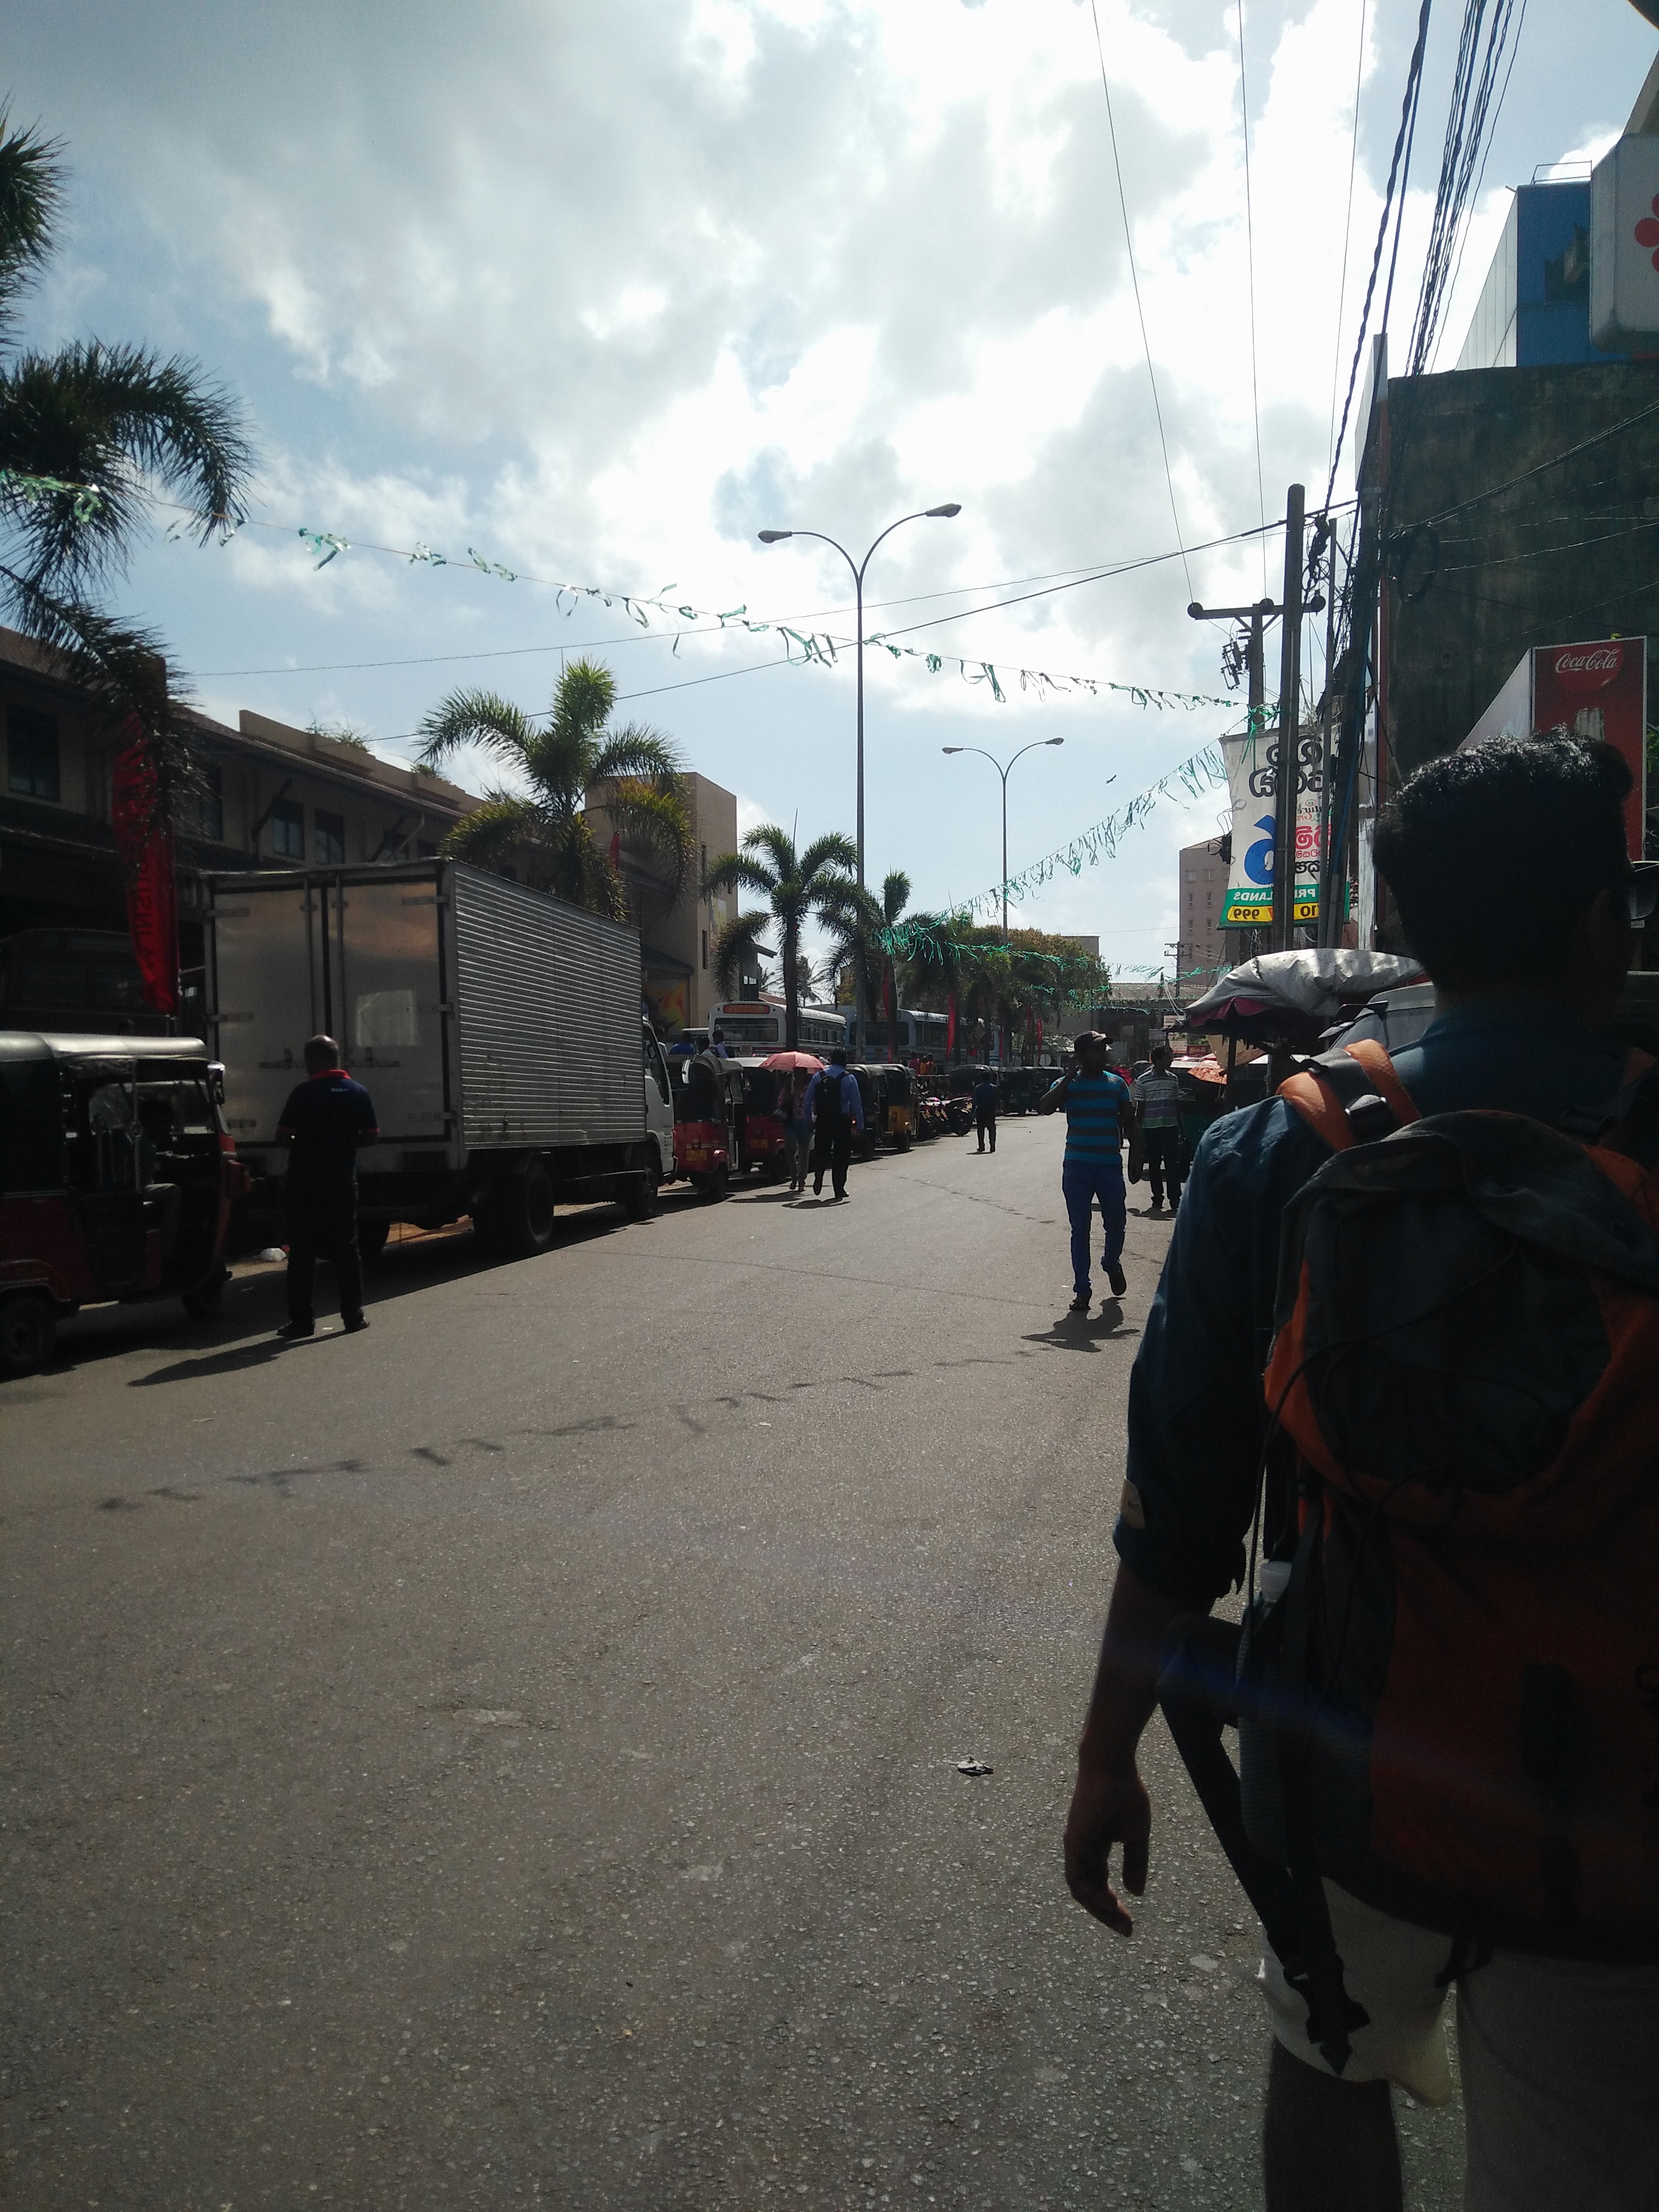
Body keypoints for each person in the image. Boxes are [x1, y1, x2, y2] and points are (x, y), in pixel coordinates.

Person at [1062, 736, 1659, 2212]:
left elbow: (1177, 1509)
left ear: (1405, 922)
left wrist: (1103, 1752)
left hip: (1343, 1749)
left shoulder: (1275, 1149)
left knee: (1327, 2075)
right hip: (1618, 1788)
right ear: (1604, 920)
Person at [274, 1034, 379, 1339]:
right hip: (342, 1182)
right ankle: (353, 1317)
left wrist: (306, 1142)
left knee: (302, 1252)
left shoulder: (304, 1093)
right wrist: (343, 1143)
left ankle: (302, 1323)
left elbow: (283, 1137)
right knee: (347, 1249)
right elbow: (371, 1136)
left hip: (305, 1184)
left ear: (315, 1061)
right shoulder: (358, 1092)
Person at [1037, 1031, 1136, 1312]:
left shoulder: (1117, 1085)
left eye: (1105, 1050)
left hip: (1109, 1165)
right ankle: (1082, 1289)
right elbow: (1044, 1108)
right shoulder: (1067, 1085)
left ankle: (1111, 1262)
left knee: (1116, 1222)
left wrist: (1137, 1155)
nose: (1104, 1055)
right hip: (1078, 1166)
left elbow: (1129, 1122)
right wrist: (1069, 1077)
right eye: (1097, 1050)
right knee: (1080, 1229)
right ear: (1081, 1056)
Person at [803, 1047, 864, 1200]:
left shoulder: (818, 1076)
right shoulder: (849, 1079)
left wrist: (809, 1120)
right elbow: (857, 1104)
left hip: (823, 1120)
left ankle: (819, 1173)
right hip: (841, 1121)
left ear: (830, 1060)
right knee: (841, 1155)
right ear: (844, 1062)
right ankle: (839, 1188)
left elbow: (808, 1100)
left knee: (821, 1150)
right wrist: (860, 1126)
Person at [1132, 1042, 1185, 1212]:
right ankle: (1157, 1199)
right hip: (1151, 1128)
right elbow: (1141, 1108)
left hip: (1170, 1127)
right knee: (1154, 1166)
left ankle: (1175, 1199)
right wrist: (1136, 1132)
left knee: (1172, 1165)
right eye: (1168, 1057)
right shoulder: (1143, 1080)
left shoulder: (1173, 1079)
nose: (1170, 1060)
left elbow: (1177, 1106)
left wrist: (1181, 1129)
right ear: (1158, 1060)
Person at [782, 1067, 813, 1191]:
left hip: (806, 1122)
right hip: (791, 1122)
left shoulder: (811, 1087)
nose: (798, 1076)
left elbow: (814, 1104)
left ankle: (802, 1179)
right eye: (796, 1073)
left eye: (801, 1073)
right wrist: (790, 1098)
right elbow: (780, 1102)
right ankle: (794, 1176)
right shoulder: (789, 1087)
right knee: (789, 1150)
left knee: (804, 1152)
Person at [971, 1066, 999, 1153]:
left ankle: (981, 1146)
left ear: (981, 1079)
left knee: (981, 1129)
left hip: (981, 1110)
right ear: (990, 1078)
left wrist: (973, 1113)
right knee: (992, 1128)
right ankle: (992, 1146)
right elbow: (997, 1100)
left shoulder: (978, 1088)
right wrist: (996, 1109)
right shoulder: (994, 1088)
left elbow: (975, 1101)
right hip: (991, 1110)